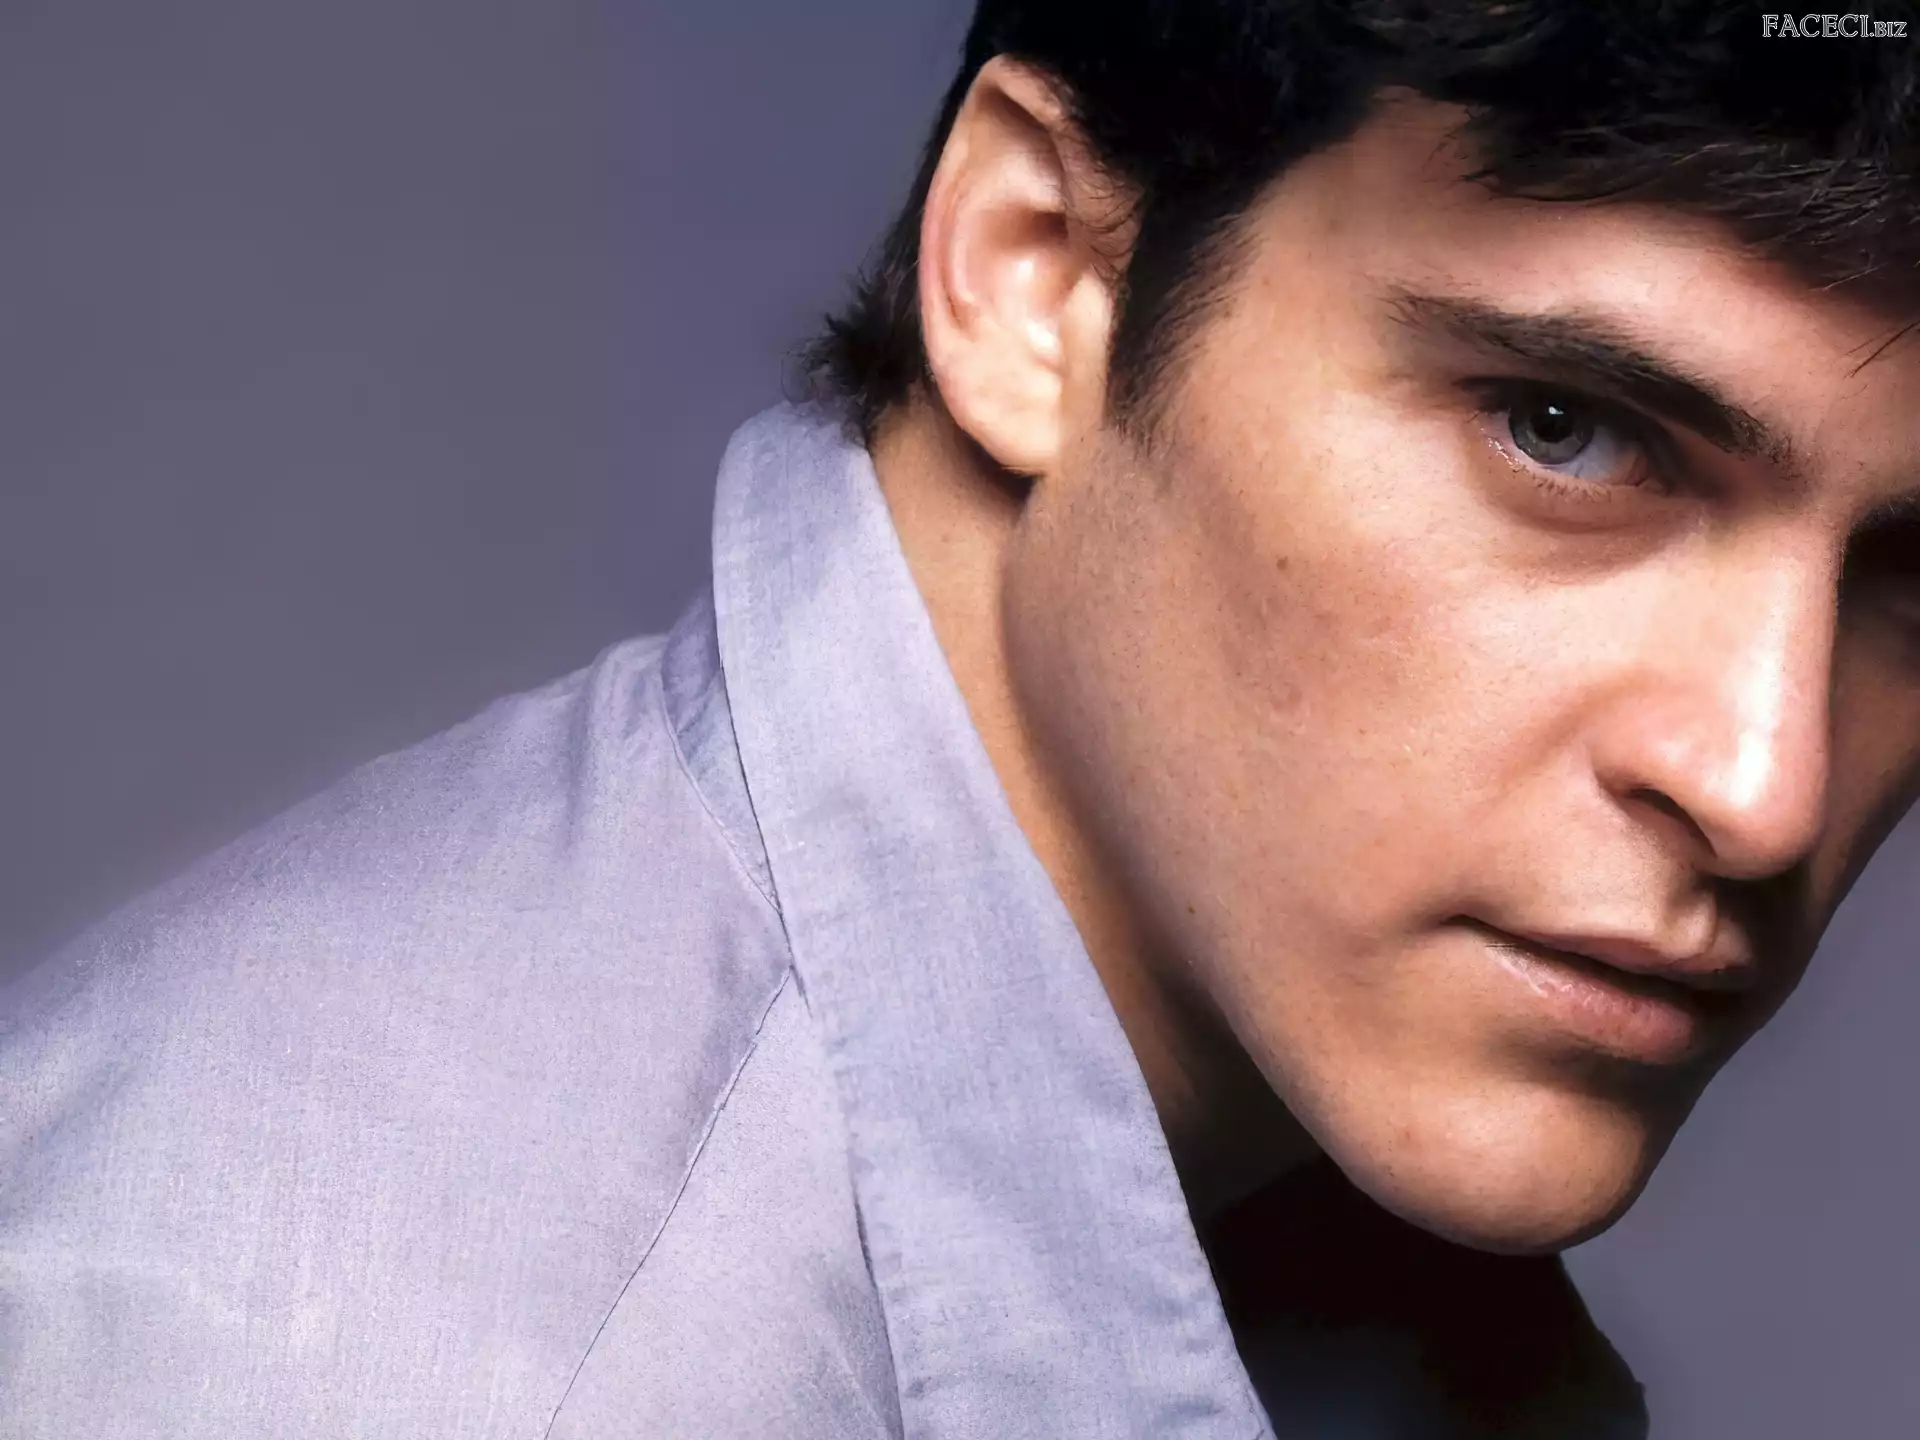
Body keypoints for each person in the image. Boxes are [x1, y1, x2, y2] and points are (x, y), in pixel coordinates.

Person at [6, 3, 1920, 1435]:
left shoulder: (1306, 1171)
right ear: (1035, 277)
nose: (1767, 786)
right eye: (1564, 431)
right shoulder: (401, 1368)